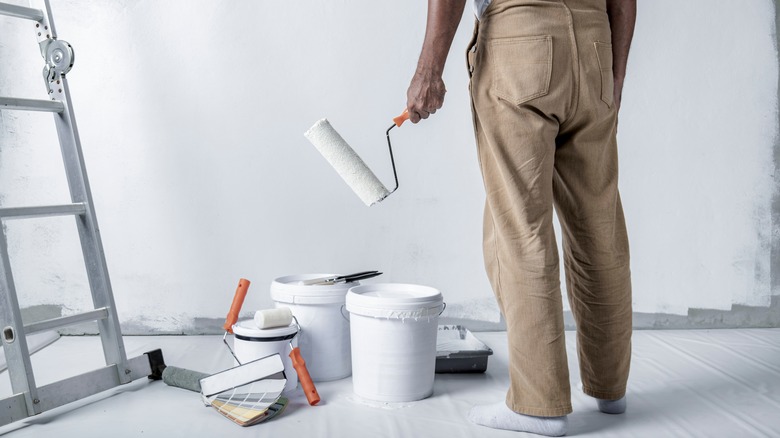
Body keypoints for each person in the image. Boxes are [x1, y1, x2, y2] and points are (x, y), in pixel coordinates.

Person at [405, 0, 636, 436]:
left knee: (520, 227)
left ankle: (537, 405)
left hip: (521, 40)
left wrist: (428, 71)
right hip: (594, 43)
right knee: (598, 224)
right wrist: (615, 75)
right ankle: (610, 389)